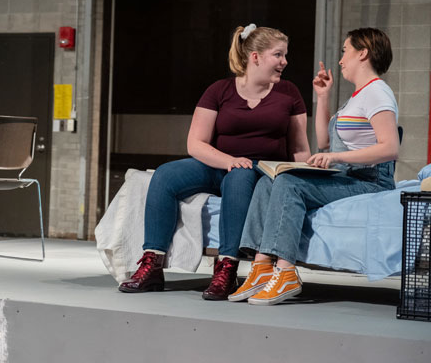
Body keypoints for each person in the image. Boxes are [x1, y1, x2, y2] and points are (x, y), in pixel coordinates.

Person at [118, 24, 311, 299]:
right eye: (278, 55)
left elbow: (299, 148)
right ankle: (152, 264)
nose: (284, 62)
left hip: (259, 170)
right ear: (255, 57)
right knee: (165, 175)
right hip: (219, 163)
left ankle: (227, 269)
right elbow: (195, 143)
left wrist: (303, 177)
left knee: (240, 176)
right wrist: (230, 160)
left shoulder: (289, 93)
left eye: (284, 55)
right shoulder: (219, 90)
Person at [229, 27, 399, 306]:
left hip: (372, 179)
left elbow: (390, 148)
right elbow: (324, 140)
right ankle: (261, 268)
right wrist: (322, 97)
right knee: (267, 180)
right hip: (350, 174)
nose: (341, 59)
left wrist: (337, 158)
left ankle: (285, 272)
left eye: (345, 51)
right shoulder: (359, 95)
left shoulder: (378, 93)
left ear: (363, 53)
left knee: (289, 184)